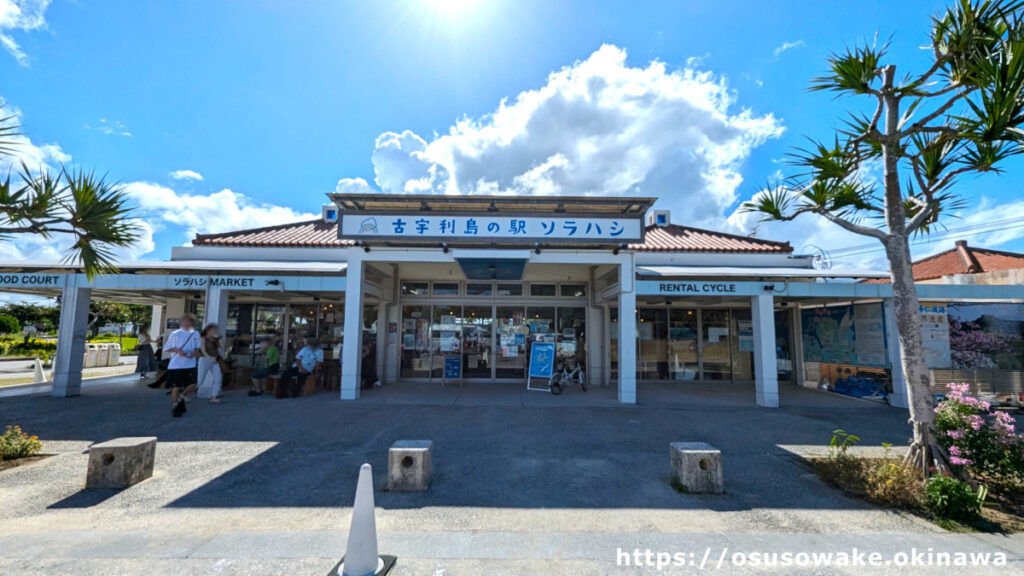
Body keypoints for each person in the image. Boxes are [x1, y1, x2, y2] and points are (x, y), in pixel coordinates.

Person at [163, 314, 201, 417]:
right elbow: (166, 348)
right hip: (176, 365)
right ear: (181, 323)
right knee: (176, 386)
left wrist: (195, 353)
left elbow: (197, 347)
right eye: (185, 321)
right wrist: (178, 351)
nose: (187, 323)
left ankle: (182, 396)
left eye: (189, 321)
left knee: (193, 384)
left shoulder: (195, 334)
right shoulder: (175, 334)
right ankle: (175, 405)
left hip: (190, 363)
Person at [197, 323, 224, 404]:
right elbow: (203, 350)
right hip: (205, 359)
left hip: (214, 359)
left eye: (216, 330)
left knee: (218, 378)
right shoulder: (203, 338)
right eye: (213, 330)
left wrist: (219, 338)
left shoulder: (215, 339)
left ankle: (214, 396)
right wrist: (209, 358)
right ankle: (186, 392)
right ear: (208, 330)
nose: (215, 331)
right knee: (200, 378)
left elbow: (223, 347)